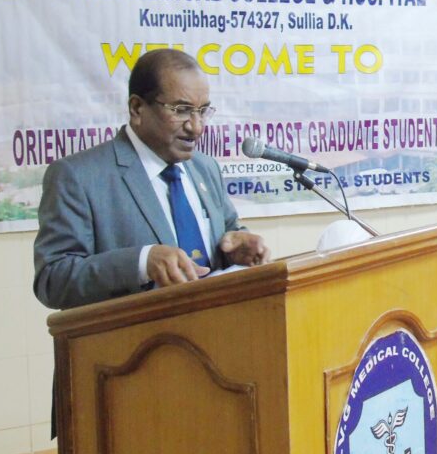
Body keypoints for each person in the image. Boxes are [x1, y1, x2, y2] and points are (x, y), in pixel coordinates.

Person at [33, 48, 270, 310]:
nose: (196, 127)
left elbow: (228, 232)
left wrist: (239, 247)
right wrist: (141, 262)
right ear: (137, 108)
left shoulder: (205, 167)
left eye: (202, 111)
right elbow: (52, 280)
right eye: (181, 110)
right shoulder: (77, 176)